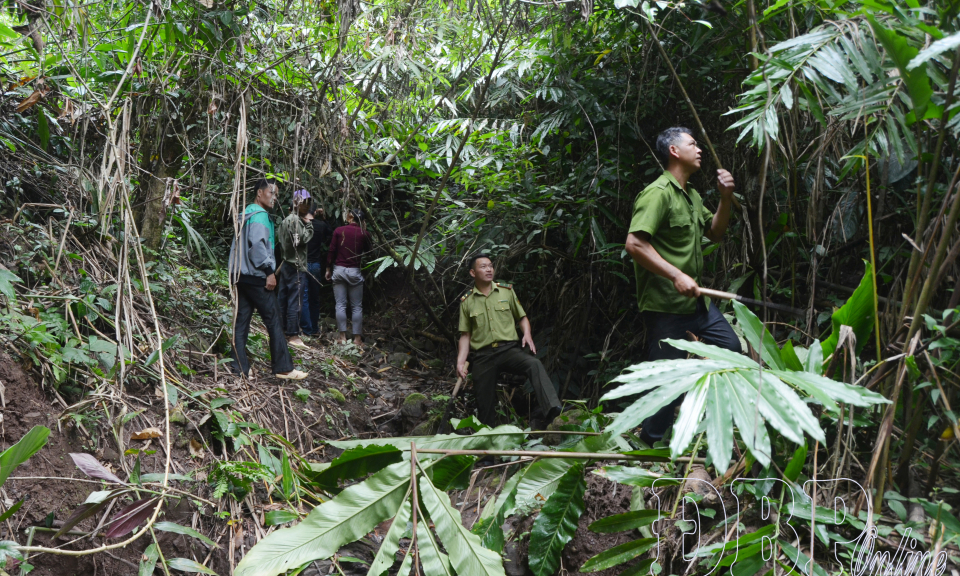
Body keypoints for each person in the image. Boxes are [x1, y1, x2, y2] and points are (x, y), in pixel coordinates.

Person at [624, 127, 741, 445]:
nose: (699, 149)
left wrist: (725, 198)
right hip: (666, 307)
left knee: (731, 350)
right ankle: (648, 442)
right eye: (692, 144)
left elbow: (715, 232)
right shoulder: (657, 193)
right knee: (668, 381)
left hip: (698, 304)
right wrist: (676, 275)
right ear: (674, 151)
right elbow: (635, 244)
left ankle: (708, 420)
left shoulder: (691, 195)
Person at [456, 254, 562, 427]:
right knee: (484, 403)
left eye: (490, 266)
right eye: (483, 267)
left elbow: (522, 317)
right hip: (483, 356)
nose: (489, 269)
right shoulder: (467, 301)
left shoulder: (506, 291)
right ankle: (488, 440)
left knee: (534, 364)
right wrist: (460, 362)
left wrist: (527, 334)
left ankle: (552, 409)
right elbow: (465, 335)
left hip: (508, 350)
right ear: (473, 273)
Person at [227, 179, 308, 380]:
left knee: (241, 321)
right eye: (272, 193)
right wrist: (269, 271)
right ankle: (283, 367)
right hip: (256, 276)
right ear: (259, 193)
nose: (275, 198)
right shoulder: (260, 216)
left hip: (241, 275)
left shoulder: (246, 213)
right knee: (274, 319)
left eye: (276, 194)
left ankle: (239, 368)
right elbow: (257, 246)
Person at [326, 209, 371, 346]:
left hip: (339, 270)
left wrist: (328, 268)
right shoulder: (364, 234)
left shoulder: (339, 231)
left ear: (350, 218)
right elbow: (369, 251)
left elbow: (332, 250)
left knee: (340, 304)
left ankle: (342, 337)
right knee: (356, 306)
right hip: (354, 271)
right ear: (362, 220)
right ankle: (357, 339)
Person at [277, 189, 314, 350]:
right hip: (295, 266)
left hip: (287, 263)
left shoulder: (287, 220)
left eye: (308, 203)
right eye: (303, 202)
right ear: (295, 203)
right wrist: (309, 225)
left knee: (283, 298)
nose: (307, 206)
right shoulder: (295, 221)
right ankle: (293, 334)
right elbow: (301, 240)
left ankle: (281, 329)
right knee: (294, 301)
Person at [301, 203, 333, 336]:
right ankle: (314, 328)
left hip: (302, 263)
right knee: (314, 297)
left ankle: (306, 329)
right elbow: (331, 233)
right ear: (315, 212)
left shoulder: (300, 223)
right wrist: (324, 218)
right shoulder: (321, 225)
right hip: (315, 264)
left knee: (303, 297)